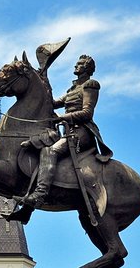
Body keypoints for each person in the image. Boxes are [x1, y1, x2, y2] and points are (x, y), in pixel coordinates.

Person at [21, 54, 113, 208]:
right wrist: (41, 80)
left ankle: (40, 193)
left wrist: (63, 118)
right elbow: (51, 103)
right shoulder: (72, 89)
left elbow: (87, 113)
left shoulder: (90, 85)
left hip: (82, 132)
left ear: (87, 68)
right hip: (68, 132)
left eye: (80, 64)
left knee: (50, 151)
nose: (76, 66)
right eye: (77, 63)